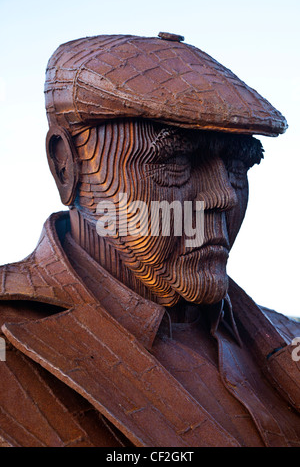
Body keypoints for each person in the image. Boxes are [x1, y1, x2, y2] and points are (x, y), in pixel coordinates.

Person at [0, 32, 299, 448]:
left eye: (237, 166)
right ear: (66, 167)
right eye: (176, 161)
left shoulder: (289, 334)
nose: (223, 196)